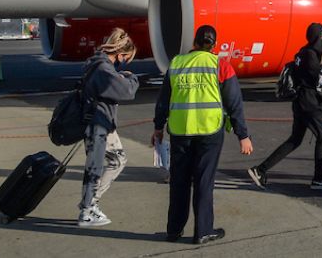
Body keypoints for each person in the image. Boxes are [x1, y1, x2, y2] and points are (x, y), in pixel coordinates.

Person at [152, 25, 253, 245]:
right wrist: (242, 135)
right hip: (209, 131)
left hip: (180, 130)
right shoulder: (220, 66)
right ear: (215, 45)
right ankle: (203, 231)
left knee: (179, 182)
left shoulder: (176, 64)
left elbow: (164, 100)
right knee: (203, 181)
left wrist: (158, 127)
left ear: (194, 43)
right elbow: (234, 103)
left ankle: (173, 230)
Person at [248, 23, 322, 191]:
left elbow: (308, 76)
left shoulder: (303, 52)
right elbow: (319, 79)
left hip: (300, 101)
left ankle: (260, 170)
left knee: (295, 140)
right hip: (309, 102)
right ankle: (318, 179)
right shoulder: (311, 55)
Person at [77, 28, 140, 228]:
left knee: (116, 160)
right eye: (126, 58)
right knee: (99, 165)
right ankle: (87, 209)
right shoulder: (103, 69)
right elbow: (126, 92)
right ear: (120, 54)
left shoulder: (97, 64)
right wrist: (131, 78)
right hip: (98, 123)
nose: (126, 62)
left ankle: (90, 204)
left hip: (100, 121)